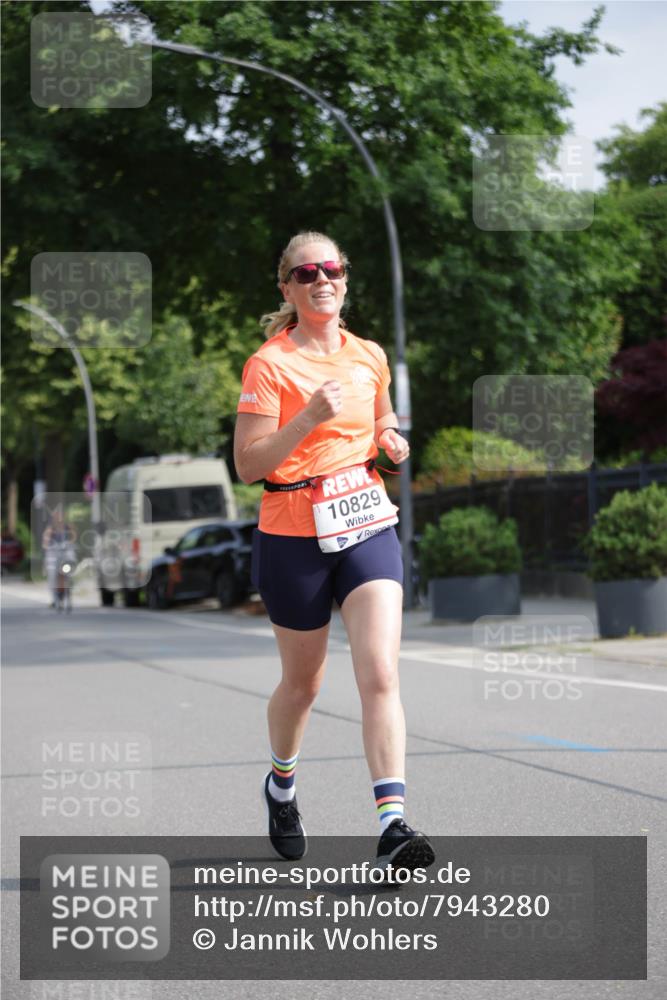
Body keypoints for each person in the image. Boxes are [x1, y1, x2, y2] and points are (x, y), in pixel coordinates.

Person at [234, 231, 434, 874]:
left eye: (333, 269)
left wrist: (392, 440)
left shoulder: (368, 354)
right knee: (304, 684)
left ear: (345, 278)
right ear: (287, 287)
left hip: (366, 521)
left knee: (380, 673)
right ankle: (281, 786)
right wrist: (307, 417)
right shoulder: (269, 365)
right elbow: (248, 465)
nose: (323, 279)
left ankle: (393, 825)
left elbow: (382, 421)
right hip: (293, 534)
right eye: (307, 272)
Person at [42, 510, 76, 609]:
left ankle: (69, 588)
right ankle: (54, 598)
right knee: (52, 574)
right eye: (56, 517)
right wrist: (47, 545)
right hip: (54, 554)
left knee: (69, 570)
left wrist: (70, 543)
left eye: (60, 517)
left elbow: (73, 537)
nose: (58, 519)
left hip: (65, 554)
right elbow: (46, 541)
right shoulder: (50, 529)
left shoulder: (68, 527)